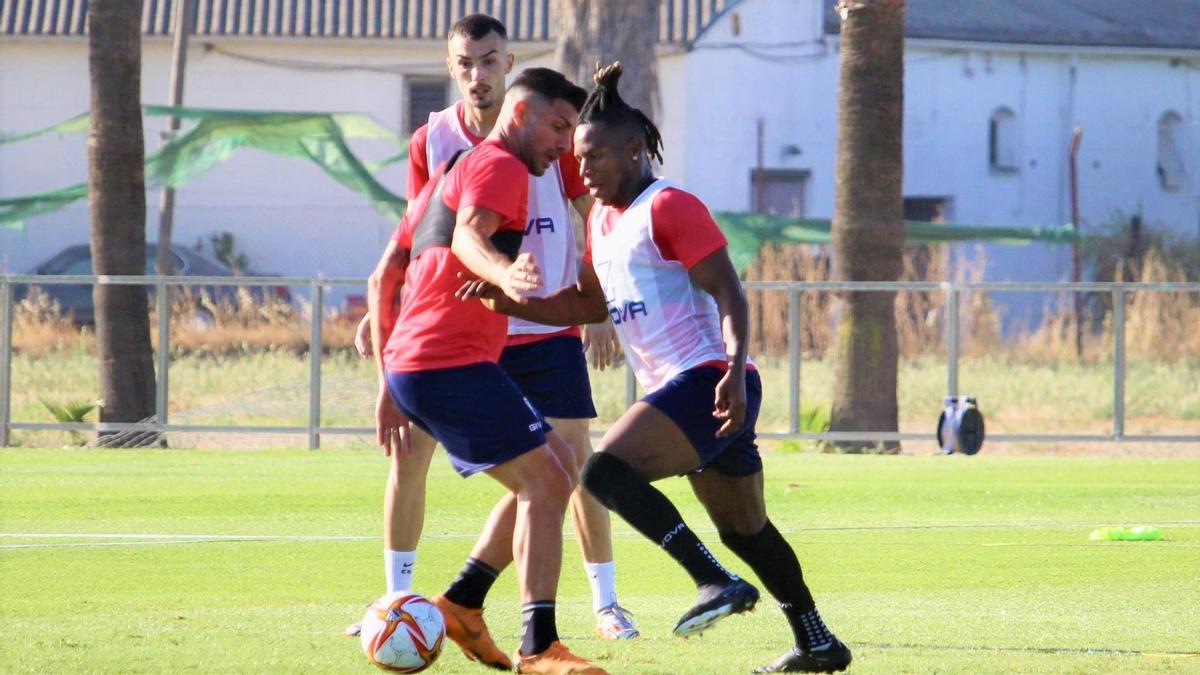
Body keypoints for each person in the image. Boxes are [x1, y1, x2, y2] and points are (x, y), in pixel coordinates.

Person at [456, 62, 853, 673]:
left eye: (594, 157)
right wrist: (505, 298)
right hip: (686, 391)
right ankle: (818, 640)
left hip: (709, 381)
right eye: (577, 159)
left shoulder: (669, 205)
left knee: (602, 473)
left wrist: (733, 369)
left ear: (636, 150)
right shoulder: (603, 222)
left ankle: (713, 583)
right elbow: (585, 304)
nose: (581, 170)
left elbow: (730, 291)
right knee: (746, 529)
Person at [352, 12, 637, 646]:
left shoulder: (506, 159)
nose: (567, 144)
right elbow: (466, 238)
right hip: (453, 352)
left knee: (563, 466)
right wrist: (507, 277)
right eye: (465, 63)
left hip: (508, 338)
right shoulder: (476, 156)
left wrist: (593, 301)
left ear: (507, 66)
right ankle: (462, 619)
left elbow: (406, 256)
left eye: (489, 60)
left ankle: (498, 604)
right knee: (544, 477)